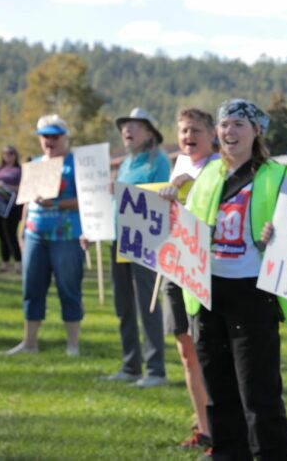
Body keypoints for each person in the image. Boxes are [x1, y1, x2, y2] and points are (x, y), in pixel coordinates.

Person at [184, 99, 287, 460]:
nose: (230, 132)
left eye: (239, 125)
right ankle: (228, 454)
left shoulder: (277, 175)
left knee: (258, 393)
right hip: (208, 292)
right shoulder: (206, 177)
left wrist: (276, 233)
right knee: (218, 390)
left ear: (257, 131)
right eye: (225, 125)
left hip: (253, 293)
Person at [157, 108, 219, 449]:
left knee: (207, 350)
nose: (188, 137)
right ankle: (204, 427)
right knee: (186, 352)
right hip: (173, 267)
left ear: (211, 134)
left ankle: (222, 427)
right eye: (183, 131)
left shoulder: (218, 168)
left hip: (204, 271)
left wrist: (185, 185)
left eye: (195, 130)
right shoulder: (177, 167)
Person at [3, 115, 83, 356]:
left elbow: (86, 201)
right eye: (45, 136)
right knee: (32, 288)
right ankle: (29, 343)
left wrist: (56, 204)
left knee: (69, 289)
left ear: (64, 138)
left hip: (67, 236)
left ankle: (73, 345)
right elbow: (28, 199)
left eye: (55, 136)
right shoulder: (35, 164)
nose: (50, 141)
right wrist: (22, 227)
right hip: (35, 234)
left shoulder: (76, 165)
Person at [105, 107, 171, 388]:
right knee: (124, 305)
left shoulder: (159, 161)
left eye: (133, 126)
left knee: (148, 304)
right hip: (119, 237)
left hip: (144, 240)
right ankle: (130, 365)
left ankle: (155, 370)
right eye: (124, 127)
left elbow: (159, 196)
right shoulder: (127, 163)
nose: (127, 131)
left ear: (149, 132)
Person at [0, 145, 22, 273]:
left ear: (15, 155)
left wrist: (6, 186)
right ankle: (4, 265)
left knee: (10, 234)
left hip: (11, 208)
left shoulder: (18, 170)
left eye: (10, 153)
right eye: (5, 153)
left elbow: (23, 187)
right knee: (1, 235)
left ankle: (19, 264)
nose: (7, 155)